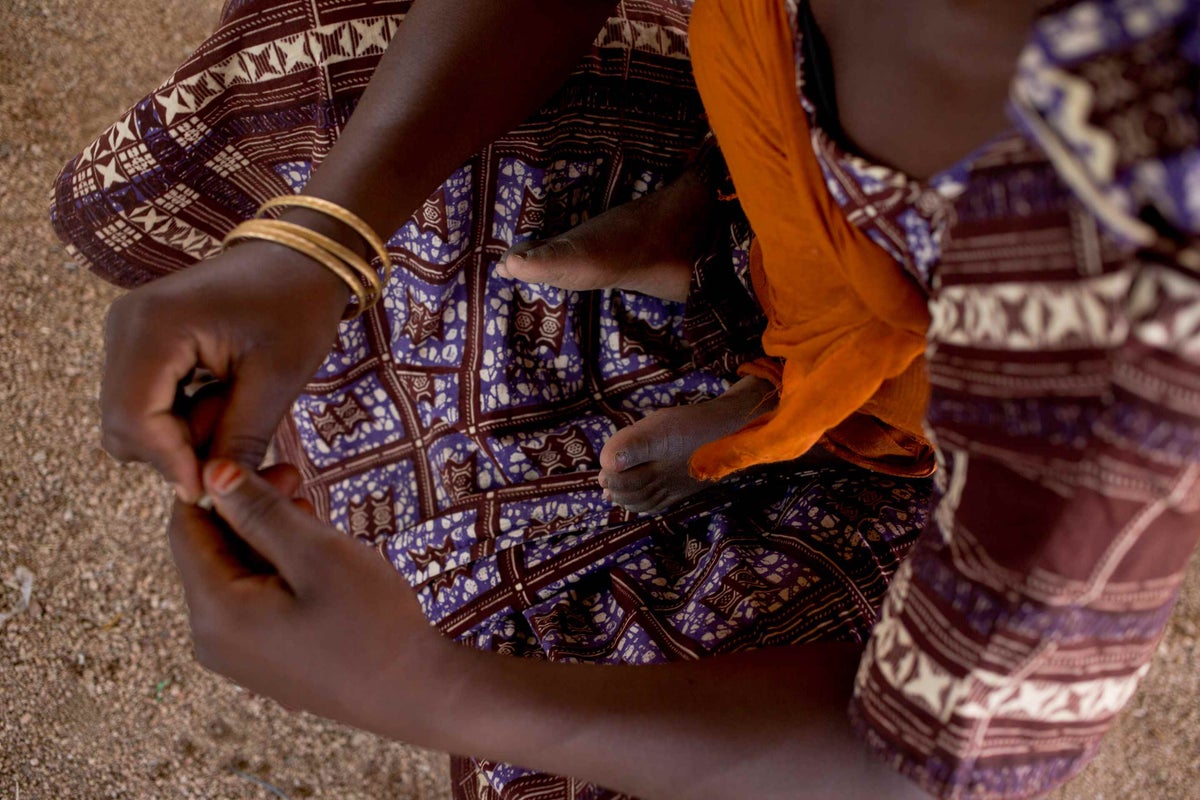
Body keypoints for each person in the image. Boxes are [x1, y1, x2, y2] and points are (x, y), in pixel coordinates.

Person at [50, 2, 1200, 799]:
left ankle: (782, 366)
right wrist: (321, 233)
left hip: (936, 427)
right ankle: (723, 234)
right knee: (323, 70)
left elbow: (936, 759)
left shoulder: (1139, 243)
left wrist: (436, 689)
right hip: (779, 168)